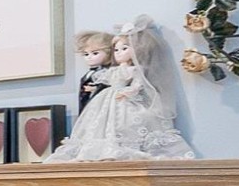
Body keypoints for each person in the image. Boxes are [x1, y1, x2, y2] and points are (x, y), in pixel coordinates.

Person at [53, 16, 197, 161]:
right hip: (107, 98)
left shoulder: (134, 70)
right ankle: (99, 150)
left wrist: (129, 92)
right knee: (99, 124)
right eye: (116, 50)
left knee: (126, 123)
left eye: (124, 49)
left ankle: (121, 147)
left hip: (124, 98)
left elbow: (138, 84)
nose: (119, 53)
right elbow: (105, 80)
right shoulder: (113, 70)